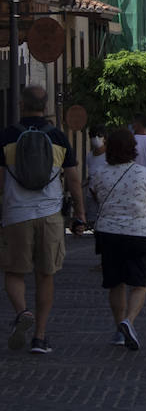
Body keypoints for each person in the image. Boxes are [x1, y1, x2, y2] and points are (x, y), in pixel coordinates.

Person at [1, 85, 86, 354]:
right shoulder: (58, 138)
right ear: (46, 105)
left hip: (16, 214)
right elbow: (73, 180)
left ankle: (22, 311)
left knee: (13, 272)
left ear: (21, 105)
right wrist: (80, 215)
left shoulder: (6, 137)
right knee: (45, 275)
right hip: (50, 215)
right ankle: (39, 336)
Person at [88, 128, 146, 351]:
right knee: (139, 283)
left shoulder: (100, 173)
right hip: (139, 232)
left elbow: (97, 197)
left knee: (115, 283)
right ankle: (128, 321)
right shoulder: (145, 174)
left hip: (108, 233)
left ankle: (118, 330)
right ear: (133, 149)